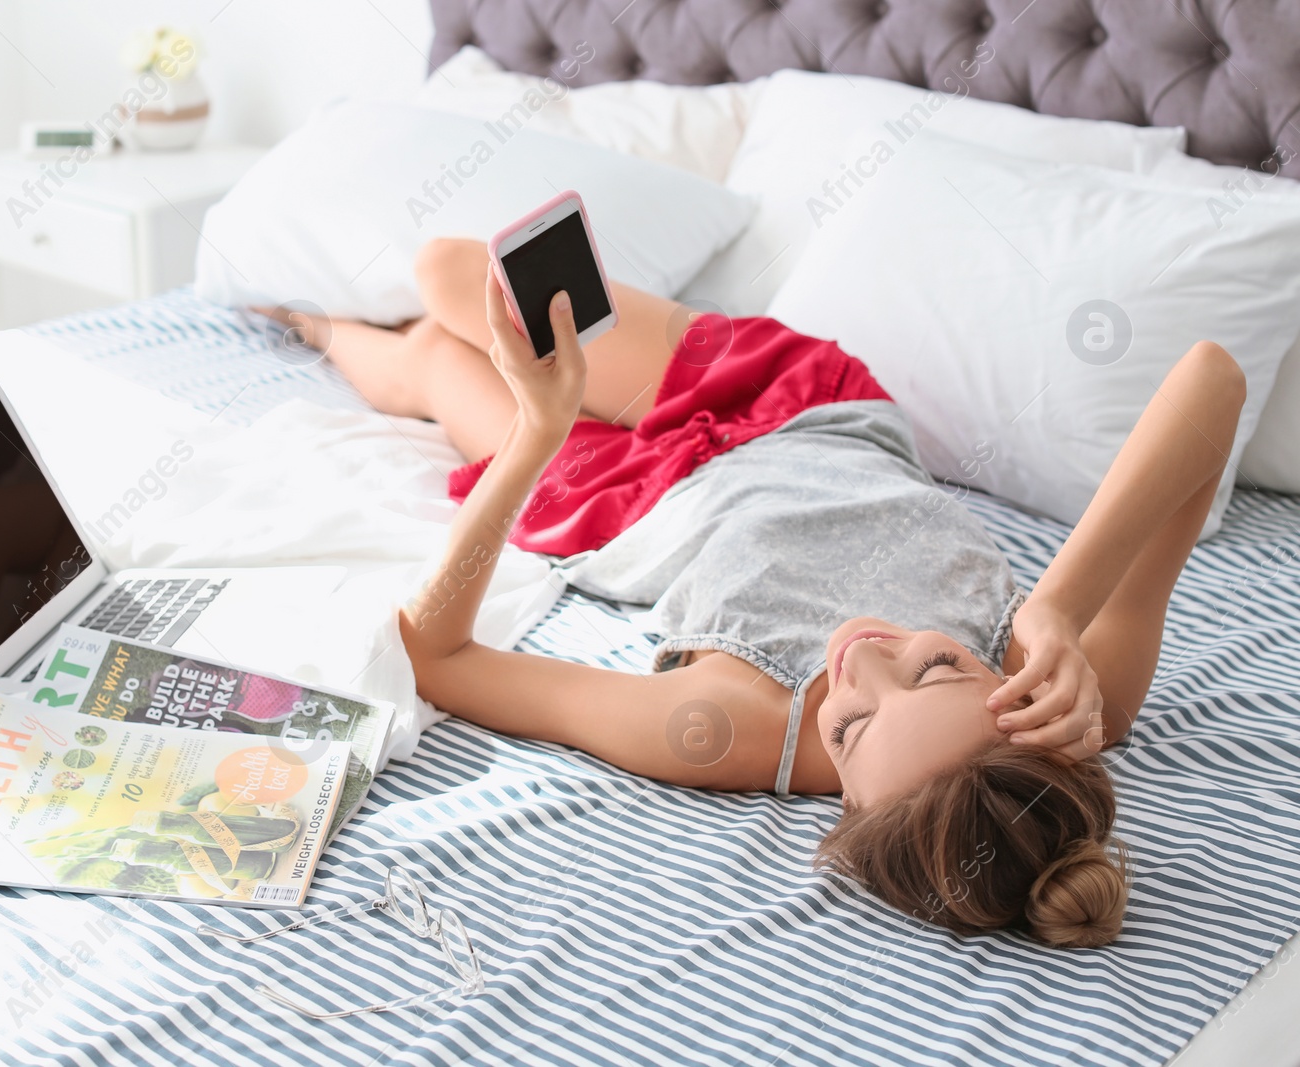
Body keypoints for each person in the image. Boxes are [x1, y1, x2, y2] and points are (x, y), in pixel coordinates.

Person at [268, 237, 1247, 948]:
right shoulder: (1070, 695)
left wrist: (537, 429)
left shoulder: (727, 723)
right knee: (452, 273)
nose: (861, 657)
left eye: (851, 727)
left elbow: (437, 657)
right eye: (939, 660)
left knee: (441, 355)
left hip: (628, 499)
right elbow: (1211, 381)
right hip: (805, 411)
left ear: (850, 812)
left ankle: (311, 323)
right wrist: (1055, 609)